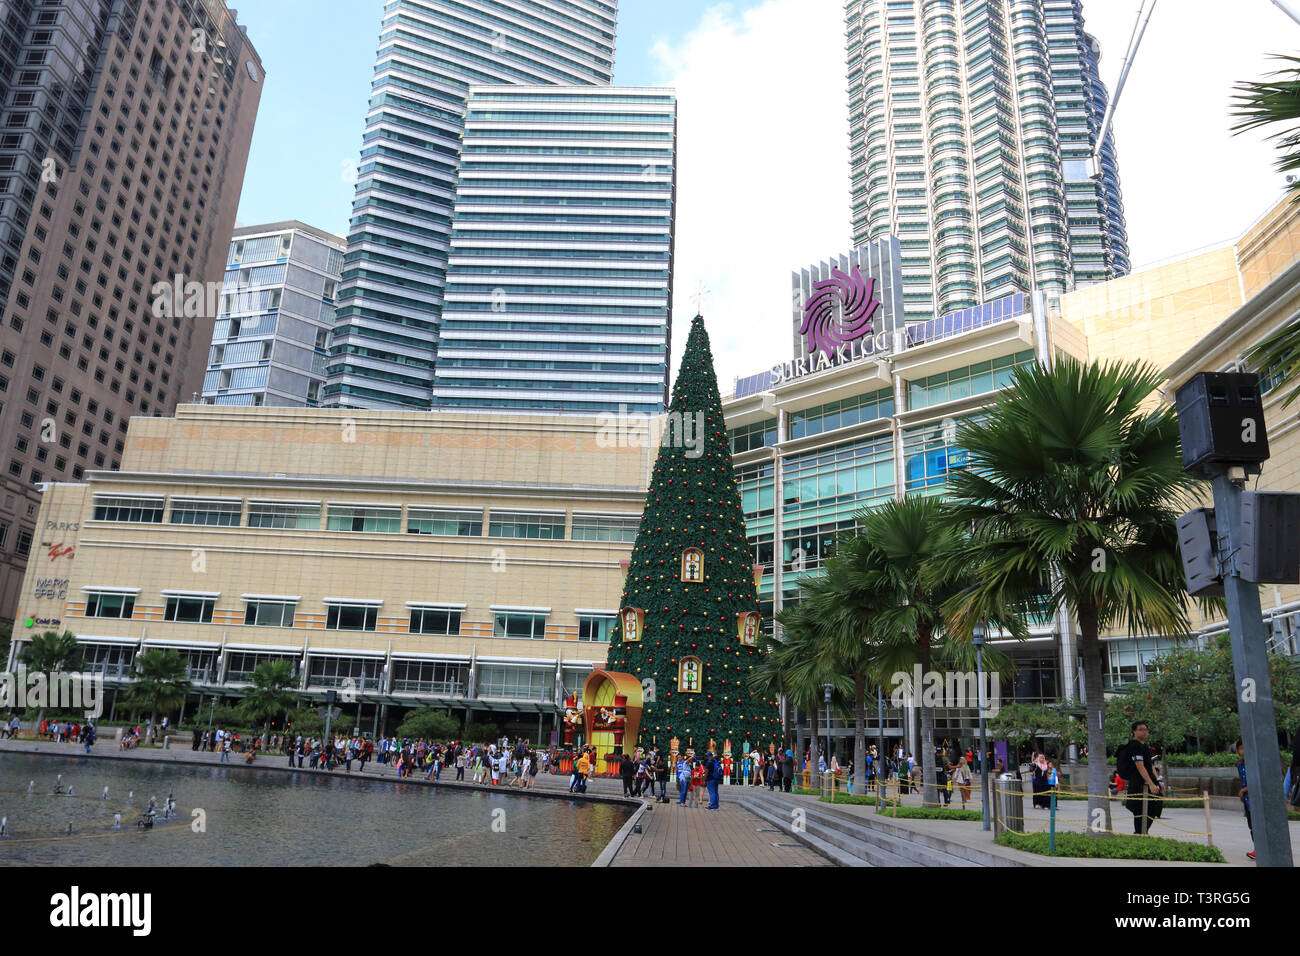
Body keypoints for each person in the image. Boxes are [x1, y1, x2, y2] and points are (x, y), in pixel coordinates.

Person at [1117, 720, 1163, 835]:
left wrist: (1158, 781)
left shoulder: (1145, 746)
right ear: (1134, 731)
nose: (1144, 732)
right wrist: (1151, 784)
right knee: (1140, 809)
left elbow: (1150, 765)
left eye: (1146, 730)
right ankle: (1139, 833)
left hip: (1148, 781)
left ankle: (1142, 832)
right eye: (1140, 729)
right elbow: (1140, 766)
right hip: (1138, 783)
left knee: (1155, 806)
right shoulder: (1134, 746)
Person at [1235, 740, 1256, 861]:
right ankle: (1257, 848)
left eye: (1245, 748)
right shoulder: (1239, 764)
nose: (1243, 751)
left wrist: (1243, 790)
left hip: (1255, 799)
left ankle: (1259, 849)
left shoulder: (1253, 763)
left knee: (1257, 824)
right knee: (1252, 825)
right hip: (1247, 800)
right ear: (1238, 751)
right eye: (1241, 748)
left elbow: (1256, 781)